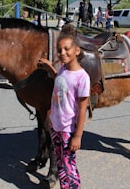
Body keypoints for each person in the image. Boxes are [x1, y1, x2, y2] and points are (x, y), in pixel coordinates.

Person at [37, 24, 90, 189]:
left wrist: (78, 136)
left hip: (68, 129)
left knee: (69, 165)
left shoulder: (82, 78)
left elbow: (82, 109)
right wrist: (50, 68)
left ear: (77, 51)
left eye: (67, 49)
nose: (62, 53)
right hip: (56, 126)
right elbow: (60, 81)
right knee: (60, 163)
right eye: (59, 50)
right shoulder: (62, 70)